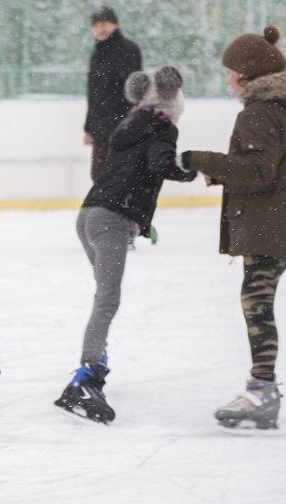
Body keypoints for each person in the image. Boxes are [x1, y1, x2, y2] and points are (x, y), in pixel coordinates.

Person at [181, 27, 286, 432]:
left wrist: (200, 159)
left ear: (247, 72)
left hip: (273, 223)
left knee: (256, 302)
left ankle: (262, 390)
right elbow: (268, 168)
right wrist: (224, 174)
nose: (226, 79)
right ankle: (263, 388)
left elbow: (258, 171)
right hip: (281, 219)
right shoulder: (284, 107)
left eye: (229, 71)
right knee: (257, 301)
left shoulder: (259, 111)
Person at [55, 66, 197, 424]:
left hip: (88, 215)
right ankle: (87, 375)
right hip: (111, 221)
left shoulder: (128, 125)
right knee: (108, 299)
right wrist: (193, 167)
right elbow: (162, 163)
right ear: (172, 105)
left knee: (104, 294)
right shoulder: (162, 128)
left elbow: (131, 168)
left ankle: (95, 362)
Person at [84, 6, 142, 182]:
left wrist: (130, 121)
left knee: (119, 176)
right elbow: (94, 94)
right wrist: (89, 127)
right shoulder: (97, 54)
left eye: (104, 24)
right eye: (96, 25)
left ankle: (118, 209)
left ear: (115, 24)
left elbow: (136, 90)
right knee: (99, 175)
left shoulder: (128, 49)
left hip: (122, 126)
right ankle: (104, 209)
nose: (100, 29)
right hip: (101, 128)